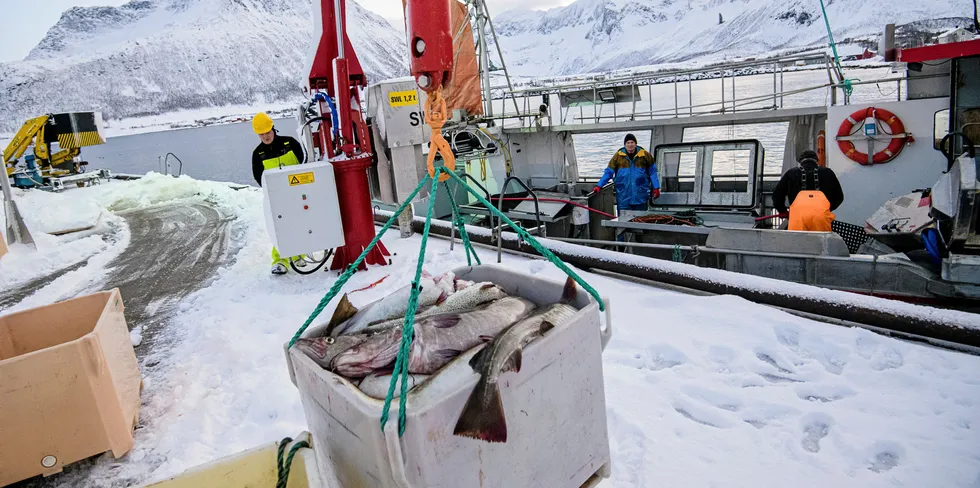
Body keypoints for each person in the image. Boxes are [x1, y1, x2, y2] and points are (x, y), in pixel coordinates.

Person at [251, 112, 307, 275]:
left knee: (300, 224)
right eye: (262, 135)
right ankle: (280, 260)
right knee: (280, 228)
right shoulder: (258, 154)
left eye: (267, 133)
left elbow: (304, 162)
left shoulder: (290, 143)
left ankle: (298, 255)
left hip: (298, 192)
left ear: (273, 129)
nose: (266, 137)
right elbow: (258, 176)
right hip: (276, 197)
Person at [771, 150, 844, 232]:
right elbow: (839, 197)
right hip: (821, 218)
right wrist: (826, 209)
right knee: (821, 243)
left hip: (797, 218)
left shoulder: (791, 173)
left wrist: (783, 211)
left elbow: (777, 196)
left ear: (800, 161)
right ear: (816, 160)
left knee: (798, 242)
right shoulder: (828, 172)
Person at [593, 133, 661, 211]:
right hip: (623, 196)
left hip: (640, 195)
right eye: (628, 143)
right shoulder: (618, 156)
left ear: (636, 144)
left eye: (632, 142)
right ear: (625, 145)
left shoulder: (645, 155)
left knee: (640, 219)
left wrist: (656, 187)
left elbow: (652, 172)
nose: (630, 145)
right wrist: (599, 185)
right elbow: (609, 172)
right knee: (623, 220)